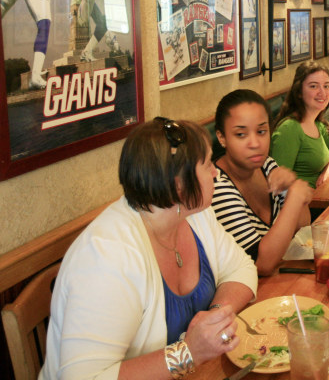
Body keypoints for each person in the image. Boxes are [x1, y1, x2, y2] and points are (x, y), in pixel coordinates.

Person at [41, 118, 258, 379]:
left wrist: (214, 319)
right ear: (179, 184)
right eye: (208, 164)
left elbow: (241, 268)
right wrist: (188, 352)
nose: (216, 173)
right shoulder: (107, 256)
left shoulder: (194, 215)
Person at [212, 90, 312, 276]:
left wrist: (291, 188)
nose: (255, 143)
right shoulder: (217, 186)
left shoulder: (266, 165)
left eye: (261, 131)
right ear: (222, 138)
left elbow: (303, 226)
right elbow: (261, 264)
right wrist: (296, 195)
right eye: (241, 134)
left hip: (281, 278)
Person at [271, 61, 329, 191]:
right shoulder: (289, 128)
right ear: (299, 92)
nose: (323, 92)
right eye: (314, 86)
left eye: (326, 86)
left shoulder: (318, 124)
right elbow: (278, 186)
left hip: (322, 196)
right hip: (304, 206)